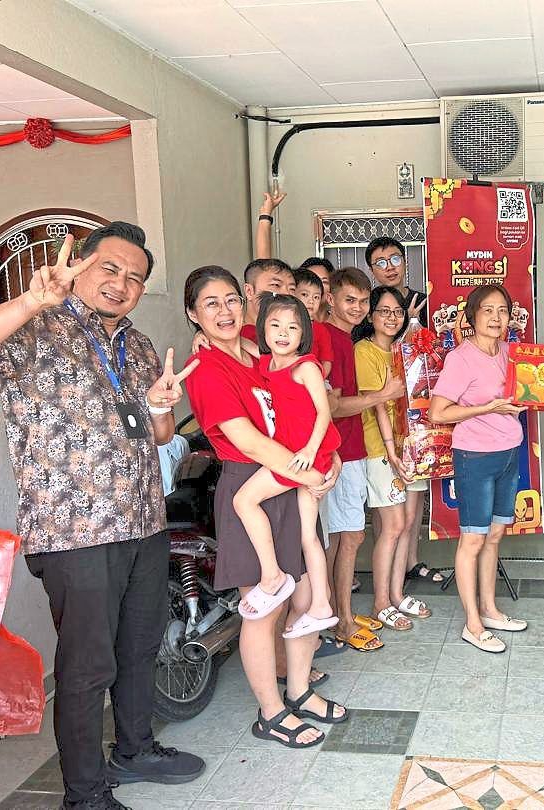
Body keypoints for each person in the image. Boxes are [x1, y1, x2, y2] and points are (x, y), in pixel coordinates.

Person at [0, 223, 205, 810]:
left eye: (135, 277)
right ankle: (84, 794)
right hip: (73, 533)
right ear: (78, 266)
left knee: (140, 647)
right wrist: (30, 299)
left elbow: (153, 435)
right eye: (110, 269)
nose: (122, 284)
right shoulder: (35, 327)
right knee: (85, 667)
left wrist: (159, 410)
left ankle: (135, 749)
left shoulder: (139, 344)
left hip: (144, 522)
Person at [183, 266, 348, 750]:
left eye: (231, 299)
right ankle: (271, 711)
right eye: (210, 303)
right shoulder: (208, 369)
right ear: (194, 315)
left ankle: (297, 691)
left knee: (300, 598)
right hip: (253, 480)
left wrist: (329, 457)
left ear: (247, 301)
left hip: (291, 479)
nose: (224, 310)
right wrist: (311, 472)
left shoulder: (260, 353)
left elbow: (302, 412)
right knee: (263, 610)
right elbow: (249, 441)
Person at [230, 294, 341, 640]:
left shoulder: (305, 366)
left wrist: (309, 450)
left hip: (303, 456)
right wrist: (206, 338)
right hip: (294, 455)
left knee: (243, 501)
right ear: (264, 328)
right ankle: (321, 606)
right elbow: (247, 347)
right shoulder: (270, 364)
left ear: (303, 333)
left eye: (292, 327)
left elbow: (324, 412)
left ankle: (273, 576)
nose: (283, 333)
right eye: (275, 325)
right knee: (308, 536)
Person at [428, 283, 529, 653]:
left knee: (496, 535)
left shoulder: (512, 353)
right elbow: (439, 412)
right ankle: (472, 623)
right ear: (471, 317)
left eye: (502, 310)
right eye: (487, 310)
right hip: (474, 457)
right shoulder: (461, 358)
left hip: (508, 453)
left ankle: (489, 608)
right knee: (472, 538)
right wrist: (488, 408)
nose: (495, 317)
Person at [323, 267, 406, 650]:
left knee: (346, 537)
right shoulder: (330, 339)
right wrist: (382, 396)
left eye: (361, 300)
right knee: (347, 538)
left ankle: (339, 612)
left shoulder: (342, 339)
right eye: (349, 301)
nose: (355, 308)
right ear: (331, 299)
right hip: (345, 450)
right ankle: (338, 619)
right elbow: (333, 406)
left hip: (355, 450)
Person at [362, 237, 441, 586]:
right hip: (384, 438)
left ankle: (409, 564)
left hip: (417, 426)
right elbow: (375, 396)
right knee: (390, 514)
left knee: (412, 508)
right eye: (381, 262)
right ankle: (390, 580)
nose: (390, 266)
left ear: (406, 260)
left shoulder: (426, 301)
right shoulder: (368, 324)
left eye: (395, 258)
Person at [355, 285, 432, 631]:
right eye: (383, 311)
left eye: (397, 312)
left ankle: (397, 594)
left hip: (407, 447)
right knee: (393, 526)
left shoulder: (404, 350)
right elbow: (378, 404)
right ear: (371, 315)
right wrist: (390, 450)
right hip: (379, 449)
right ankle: (381, 601)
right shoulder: (365, 351)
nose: (391, 317)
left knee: (406, 522)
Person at [241, 258, 296, 343]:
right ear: (249, 291)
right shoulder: (235, 337)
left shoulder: (294, 334)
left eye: (292, 289)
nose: (287, 294)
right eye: (276, 285)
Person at [292, 268, 334, 378]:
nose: (311, 301)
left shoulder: (321, 330)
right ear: (292, 293)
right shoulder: (283, 325)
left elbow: (327, 362)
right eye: (305, 295)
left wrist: (317, 379)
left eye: (316, 297)